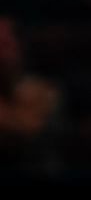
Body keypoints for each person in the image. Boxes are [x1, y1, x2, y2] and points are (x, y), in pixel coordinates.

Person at [0, 16, 61, 175]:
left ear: (19, 47)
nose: (1, 54)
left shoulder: (45, 91)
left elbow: (29, 131)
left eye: (5, 44)